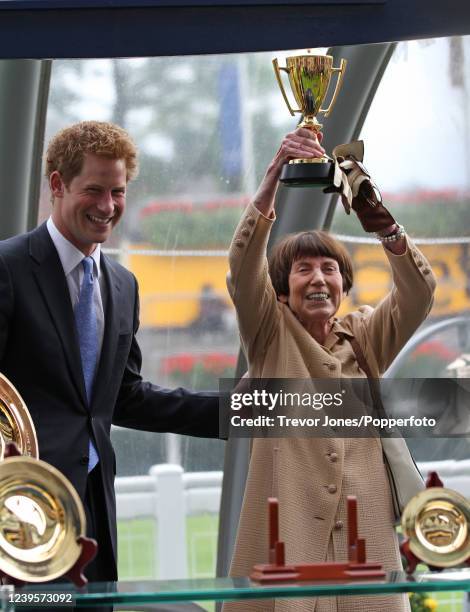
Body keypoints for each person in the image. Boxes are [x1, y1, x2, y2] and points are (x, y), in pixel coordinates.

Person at [223, 128, 437, 612]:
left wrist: (376, 216)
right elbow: (241, 269)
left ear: (343, 284)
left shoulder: (364, 336)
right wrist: (273, 176)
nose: (318, 278)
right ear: (281, 290)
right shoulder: (269, 334)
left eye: (329, 269)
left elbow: (419, 295)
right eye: (303, 270)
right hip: (286, 546)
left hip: (368, 548)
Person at [0, 121, 219, 585]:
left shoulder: (122, 284)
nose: (107, 207)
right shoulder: (8, 268)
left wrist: (236, 412)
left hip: (96, 506)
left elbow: (124, 397)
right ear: (57, 184)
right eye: (94, 190)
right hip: (20, 512)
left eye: (117, 192)